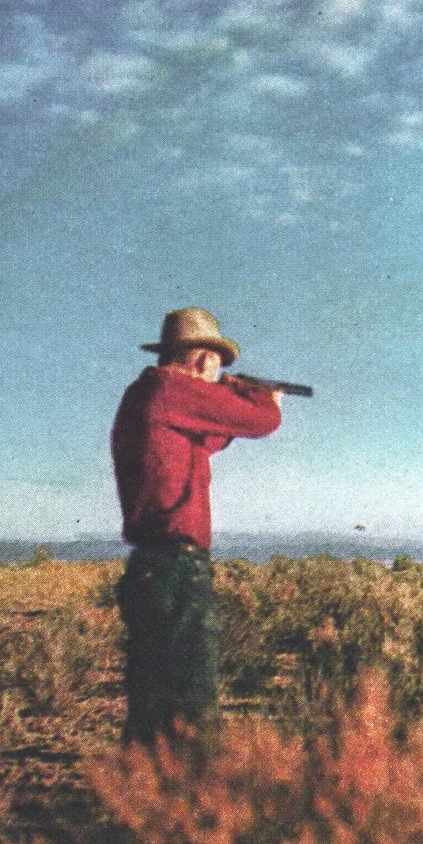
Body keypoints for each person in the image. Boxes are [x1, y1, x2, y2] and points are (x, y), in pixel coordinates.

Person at [111, 307, 283, 745]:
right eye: (218, 366)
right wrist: (262, 398)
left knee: (152, 713)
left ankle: (143, 804)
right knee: (192, 709)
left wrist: (230, 390)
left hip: (154, 570)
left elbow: (210, 437)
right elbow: (260, 423)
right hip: (176, 570)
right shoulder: (171, 389)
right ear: (204, 360)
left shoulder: (148, 394)